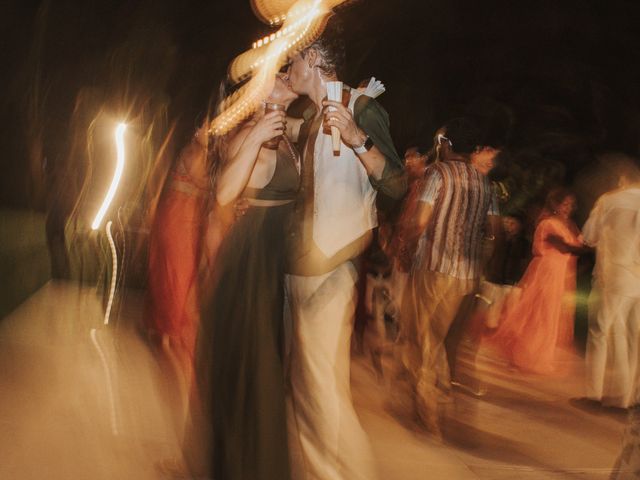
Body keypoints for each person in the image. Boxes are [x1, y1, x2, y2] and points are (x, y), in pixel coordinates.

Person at [284, 21, 406, 480]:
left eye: (293, 59)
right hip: (301, 266)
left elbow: (396, 183)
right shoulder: (315, 117)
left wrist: (358, 139)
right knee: (306, 388)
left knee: (323, 391)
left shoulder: (364, 107)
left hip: (333, 269)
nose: (288, 67)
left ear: (314, 59)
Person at [193, 73, 299, 480]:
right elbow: (223, 195)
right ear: (257, 92)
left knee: (263, 377)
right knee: (254, 379)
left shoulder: (285, 131)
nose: (286, 76)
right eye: (278, 75)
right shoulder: (252, 134)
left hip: (269, 265)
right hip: (249, 269)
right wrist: (255, 135)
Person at [397, 117, 501, 435]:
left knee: (422, 340)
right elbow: (496, 231)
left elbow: (420, 222)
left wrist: (406, 248)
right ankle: (440, 398)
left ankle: (427, 414)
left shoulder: (437, 174)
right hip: (466, 276)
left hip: (433, 267)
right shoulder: (486, 184)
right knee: (442, 341)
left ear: (449, 144)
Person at [145, 121, 211, 402]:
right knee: (177, 272)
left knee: (179, 272)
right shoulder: (194, 152)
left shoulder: (202, 153)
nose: (211, 132)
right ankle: (171, 332)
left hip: (186, 217)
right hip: (179, 218)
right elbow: (204, 183)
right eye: (207, 128)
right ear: (196, 131)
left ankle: (168, 331)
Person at [491, 188, 585, 375]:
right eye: (564, 204)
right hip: (547, 272)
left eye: (570, 205)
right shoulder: (549, 223)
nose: (567, 208)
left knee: (550, 315)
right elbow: (565, 247)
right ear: (555, 204)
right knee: (539, 313)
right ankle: (524, 356)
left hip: (560, 274)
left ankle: (537, 356)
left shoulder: (569, 225)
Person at [583, 158, 640, 408]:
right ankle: (629, 396)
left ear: (620, 179)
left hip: (614, 275)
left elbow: (589, 236)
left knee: (601, 331)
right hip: (637, 279)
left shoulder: (609, 200)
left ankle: (596, 393)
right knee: (633, 335)